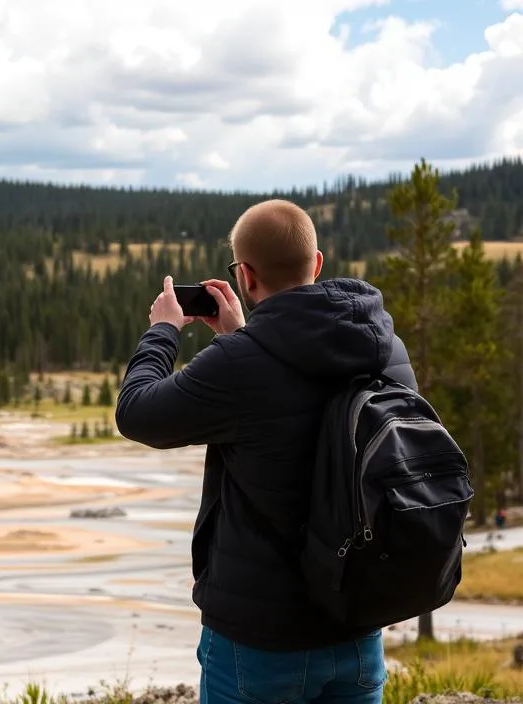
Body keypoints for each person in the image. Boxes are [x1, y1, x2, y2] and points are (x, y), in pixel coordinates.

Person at [116, 199, 417, 703]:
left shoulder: (239, 365)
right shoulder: (387, 348)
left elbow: (137, 412)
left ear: (246, 276)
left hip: (259, 638)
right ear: (316, 263)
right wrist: (244, 337)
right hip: (357, 623)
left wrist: (162, 332)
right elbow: (301, 403)